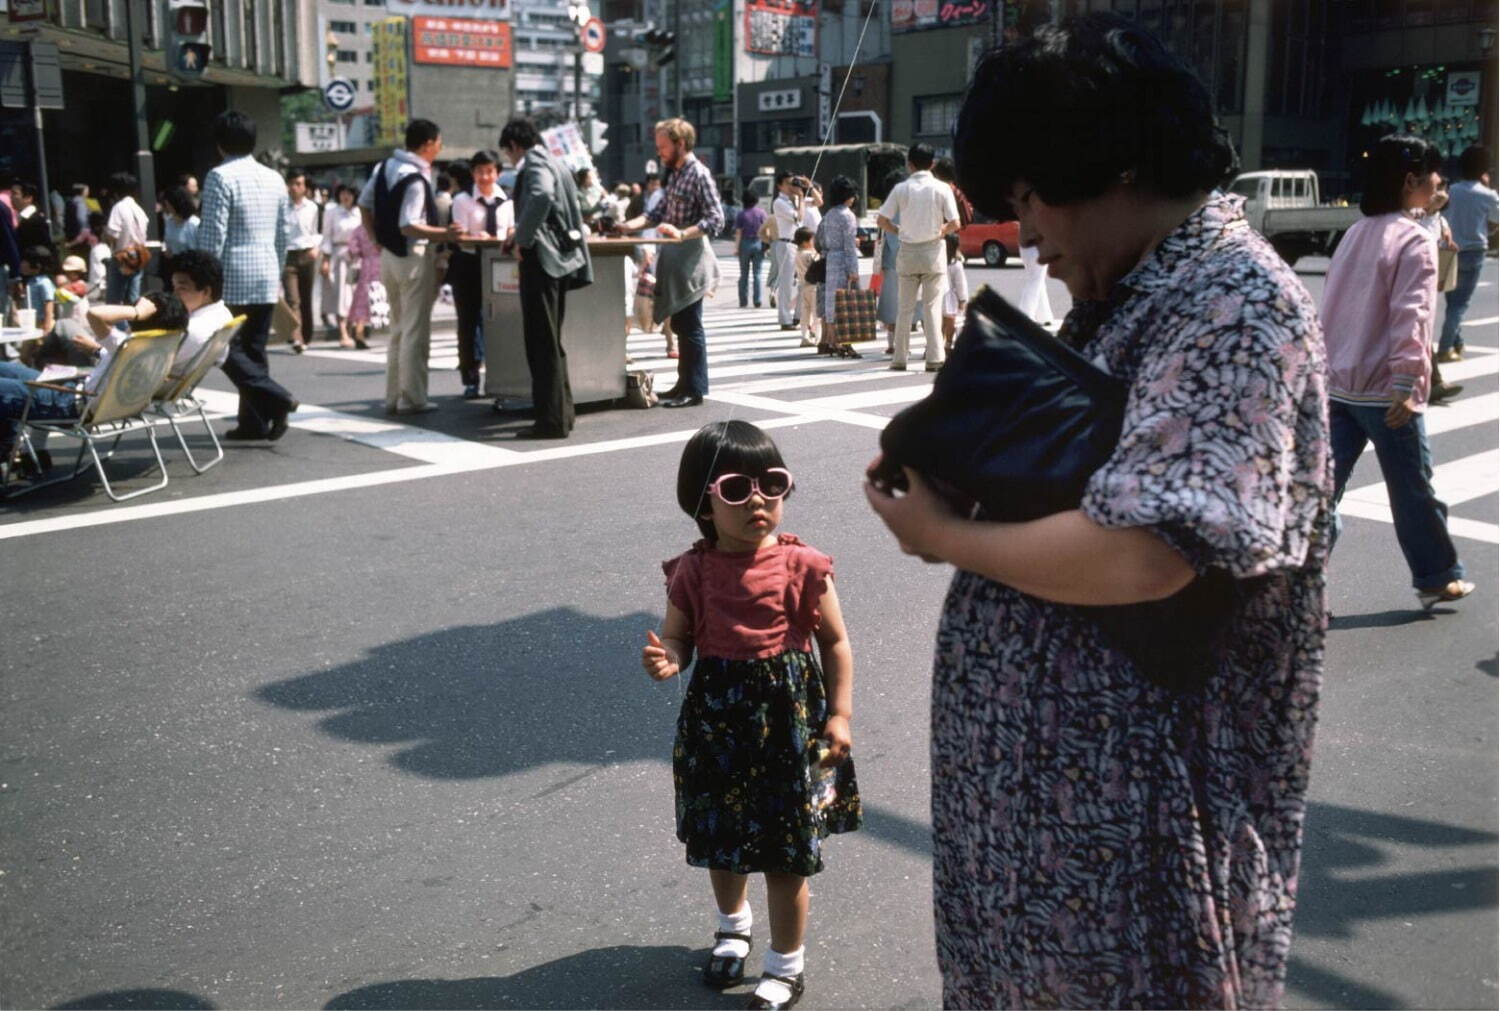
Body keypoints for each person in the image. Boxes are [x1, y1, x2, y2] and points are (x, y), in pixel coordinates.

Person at [865, 14, 1332, 1008]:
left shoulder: (1234, 302)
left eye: (1031, 199)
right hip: (1056, 820)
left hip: (1135, 826)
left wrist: (945, 538)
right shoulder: (1135, 286)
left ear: (1112, 166)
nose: (1025, 232)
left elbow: (1147, 553)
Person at [642, 420, 861, 1011]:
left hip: (790, 727)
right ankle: (732, 927)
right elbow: (679, 638)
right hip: (717, 726)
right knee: (723, 839)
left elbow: (836, 643)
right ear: (703, 503)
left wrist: (839, 716)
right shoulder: (691, 572)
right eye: (737, 488)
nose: (759, 499)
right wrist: (669, 658)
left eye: (773, 483)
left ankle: (786, 965)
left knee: (786, 850)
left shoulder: (803, 566)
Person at [1323, 134, 1474, 610]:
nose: (1440, 181)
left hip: (1338, 383)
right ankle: (1436, 575)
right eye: (1434, 174)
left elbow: (1332, 307)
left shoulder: (1356, 232)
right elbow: (1413, 315)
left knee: (1320, 490)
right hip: (1387, 391)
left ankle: (1291, 582)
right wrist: (1409, 384)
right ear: (1412, 180)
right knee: (1412, 490)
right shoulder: (1414, 241)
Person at [0, 291, 189, 477]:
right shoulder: (159, 352)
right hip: (78, 399)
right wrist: (97, 350)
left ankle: (8, 453)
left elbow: (95, 314)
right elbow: (116, 360)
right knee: (6, 370)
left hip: (66, 405)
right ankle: (21, 454)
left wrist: (136, 310)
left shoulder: (126, 343)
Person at [195, 109, 299, 442]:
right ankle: (254, 422)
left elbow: (213, 234)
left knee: (222, 346)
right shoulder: (274, 178)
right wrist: (277, 268)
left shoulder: (219, 177)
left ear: (220, 144)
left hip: (232, 274)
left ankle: (274, 397)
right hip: (266, 271)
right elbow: (284, 234)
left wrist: (204, 278)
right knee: (254, 349)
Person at [617, 117, 725, 409]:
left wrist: (682, 232)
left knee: (690, 324)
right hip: (676, 260)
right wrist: (627, 226)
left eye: (663, 146)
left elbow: (717, 218)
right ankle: (684, 383)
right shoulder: (675, 174)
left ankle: (695, 388)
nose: (659, 152)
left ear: (680, 144)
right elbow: (656, 214)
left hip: (692, 259)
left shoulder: (698, 173)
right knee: (680, 323)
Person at [358, 119, 462, 416]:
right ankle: (413, 398)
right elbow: (409, 225)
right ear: (427, 144)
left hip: (388, 257)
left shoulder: (384, 167)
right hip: (412, 256)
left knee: (398, 328)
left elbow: (364, 205)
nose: (439, 149)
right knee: (415, 330)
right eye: (438, 143)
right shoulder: (416, 178)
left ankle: (393, 397)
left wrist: (375, 240)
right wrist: (445, 235)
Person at [499, 117, 592, 438]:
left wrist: (522, 239)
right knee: (550, 343)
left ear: (514, 145)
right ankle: (561, 414)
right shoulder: (556, 161)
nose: (511, 160)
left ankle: (551, 421)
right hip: (559, 261)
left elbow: (540, 196)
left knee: (541, 344)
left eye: (509, 153)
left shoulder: (535, 163)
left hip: (542, 261)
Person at [877, 144, 959, 372]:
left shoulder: (901, 189)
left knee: (905, 307)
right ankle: (934, 358)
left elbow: (882, 220)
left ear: (909, 164)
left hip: (908, 250)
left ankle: (900, 357)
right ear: (932, 164)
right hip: (933, 251)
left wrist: (898, 230)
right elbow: (955, 222)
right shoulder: (942, 188)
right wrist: (940, 231)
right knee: (932, 306)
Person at [449, 149, 516, 398]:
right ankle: (470, 378)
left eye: (489, 171)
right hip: (468, 264)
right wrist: (477, 238)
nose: (485, 176)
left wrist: (500, 239)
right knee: (468, 322)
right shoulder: (462, 200)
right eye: (479, 171)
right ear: (472, 173)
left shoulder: (507, 201)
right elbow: (459, 236)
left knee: (500, 320)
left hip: (499, 266)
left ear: (498, 173)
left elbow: (511, 231)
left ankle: (502, 377)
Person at [1436, 145, 1498, 363]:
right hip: (1474, 251)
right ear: (1484, 169)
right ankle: (1444, 348)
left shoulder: (1451, 190)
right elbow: (1494, 224)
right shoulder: (1489, 195)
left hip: (1450, 250)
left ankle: (1457, 343)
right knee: (1460, 305)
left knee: (1453, 301)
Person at [816, 176, 861, 360]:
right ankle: (844, 343)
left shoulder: (829, 214)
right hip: (843, 260)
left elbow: (818, 239)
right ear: (847, 196)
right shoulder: (848, 216)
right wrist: (853, 270)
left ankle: (832, 341)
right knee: (847, 303)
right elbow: (850, 245)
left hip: (829, 259)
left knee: (831, 303)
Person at [281, 169, 322, 352]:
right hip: (288, 255)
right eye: (292, 184)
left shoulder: (312, 207)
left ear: (305, 187)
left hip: (307, 253)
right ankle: (296, 338)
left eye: (299, 184)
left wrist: (315, 247)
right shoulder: (281, 207)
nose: (295, 188)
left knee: (306, 297)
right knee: (293, 299)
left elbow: (317, 232)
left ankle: (307, 336)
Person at [318, 184, 363, 349]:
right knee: (341, 295)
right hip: (339, 255)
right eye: (342, 193)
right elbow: (327, 236)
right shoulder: (332, 212)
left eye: (349, 193)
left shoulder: (359, 212)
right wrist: (325, 260)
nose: (345, 196)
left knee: (356, 293)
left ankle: (354, 331)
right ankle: (343, 332)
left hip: (357, 257)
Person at [102, 172, 149, 305]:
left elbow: (113, 234)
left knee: (114, 300)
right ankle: (133, 324)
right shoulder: (139, 209)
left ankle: (119, 326)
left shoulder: (118, 207)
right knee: (133, 298)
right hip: (139, 256)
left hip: (122, 257)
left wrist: (105, 235)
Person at [770, 173, 803, 330]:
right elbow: (799, 217)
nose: (792, 187)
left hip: (797, 245)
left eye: (793, 183)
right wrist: (801, 198)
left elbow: (818, 201)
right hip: (786, 244)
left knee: (803, 281)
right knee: (786, 283)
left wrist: (806, 186)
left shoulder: (792, 201)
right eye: (789, 183)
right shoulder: (779, 202)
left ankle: (798, 315)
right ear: (780, 186)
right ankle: (785, 319)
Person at [345, 218, 380, 351]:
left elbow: (353, 250)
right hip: (383, 263)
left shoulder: (359, 230)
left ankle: (358, 331)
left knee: (363, 300)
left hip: (367, 265)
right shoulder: (381, 228)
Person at [160, 184, 200, 280]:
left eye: (168, 204)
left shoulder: (194, 223)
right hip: (173, 267)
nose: (167, 207)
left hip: (191, 268)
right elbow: (168, 243)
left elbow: (197, 250)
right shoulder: (169, 221)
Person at [735, 191, 767, 309]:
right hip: (758, 243)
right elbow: (766, 230)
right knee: (757, 274)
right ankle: (757, 300)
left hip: (745, 244)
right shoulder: (762, 213)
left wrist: (736, 248)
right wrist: (766, 244)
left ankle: (743, 301)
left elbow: (738, 232)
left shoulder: (741, 214)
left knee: (744, 274)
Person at [940, 232, 968, 354]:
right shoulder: (956, 264)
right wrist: (963, 299)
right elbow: (960, 284)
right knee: (950, 322)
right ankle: (948, 344)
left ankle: (935, 345)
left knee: (939, 323)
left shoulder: (939, 261)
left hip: (937, 294)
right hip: (950, 297)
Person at [792, 227, 819, 349]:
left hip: (803, 287)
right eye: (812, 240)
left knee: (805, 314)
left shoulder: (797, 254)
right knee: (816, 313)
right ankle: (818, 337)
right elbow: (816, 265)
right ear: (805, 242)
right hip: (814, 287)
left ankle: (804, 337)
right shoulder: (810, 254)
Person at [12, 182, 52, 254]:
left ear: (28, 198)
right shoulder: (23, 218)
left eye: (15, 193)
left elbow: (41, 248)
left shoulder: (34, 221)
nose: (11, 197)